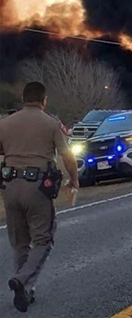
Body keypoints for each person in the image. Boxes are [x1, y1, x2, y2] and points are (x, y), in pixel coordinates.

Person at [0, 82, 79, 313]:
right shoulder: (50, 123)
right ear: (43, 100)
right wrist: (74, 180)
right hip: (37, 188)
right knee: (43, 240)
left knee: (20, 243)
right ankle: (22, 279)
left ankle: (26, 291)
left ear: (24, 99)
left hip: (9, 187)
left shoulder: (5, 123)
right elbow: (68, 157)